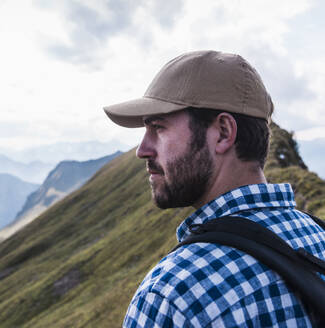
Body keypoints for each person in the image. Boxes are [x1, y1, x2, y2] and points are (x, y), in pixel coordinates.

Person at [103, 50, 325, 327]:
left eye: (158, 128)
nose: (142, 150)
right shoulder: (318, 236)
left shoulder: (171, 296)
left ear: (222, 132)